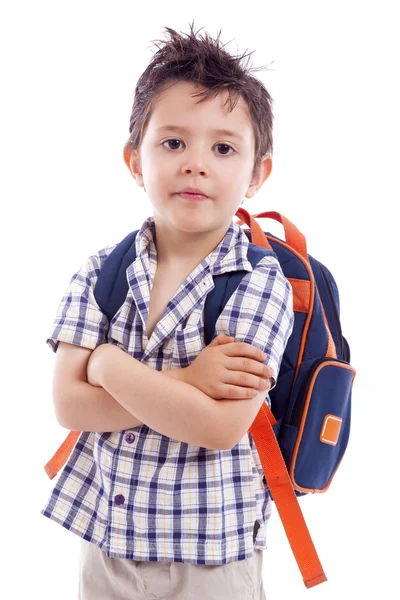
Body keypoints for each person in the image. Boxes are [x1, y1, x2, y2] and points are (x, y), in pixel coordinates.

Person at [41, 21, 294, 600]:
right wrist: (184, 382)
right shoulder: (101, 272)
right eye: (173, 142)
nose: (196, 163)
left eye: (224, 147)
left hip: (212, 557)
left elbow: (218, 425)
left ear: (258, 174)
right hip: (107, 545)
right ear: (135, 160)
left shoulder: (258, 281)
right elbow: (69, 405)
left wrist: (106, 364)